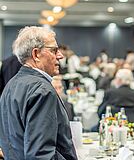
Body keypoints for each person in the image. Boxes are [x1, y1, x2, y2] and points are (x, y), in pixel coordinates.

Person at [0, 26, 77, 160]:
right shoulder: (42, 90)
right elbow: (41, 155)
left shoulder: (11, 85)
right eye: (54, 50)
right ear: (36, 54)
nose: (60, 55)